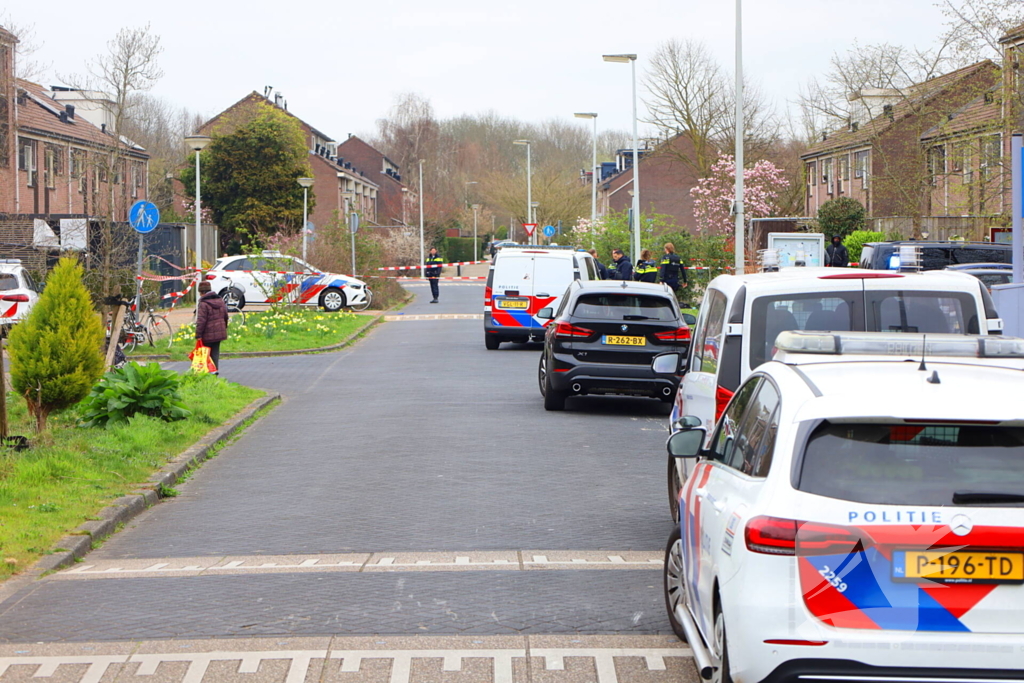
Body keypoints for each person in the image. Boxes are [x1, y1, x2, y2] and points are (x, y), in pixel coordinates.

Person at [195, 281, 229, 375]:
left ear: (201, 292)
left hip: (207, 334)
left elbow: (201, 321)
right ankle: (215, 371)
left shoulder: (203, 304)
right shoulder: (220, 301)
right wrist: (223, 328)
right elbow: (225, 316)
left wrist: (198, 335)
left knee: (205, 355)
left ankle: (207, 374)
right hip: (219, 333)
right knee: (215, 354)